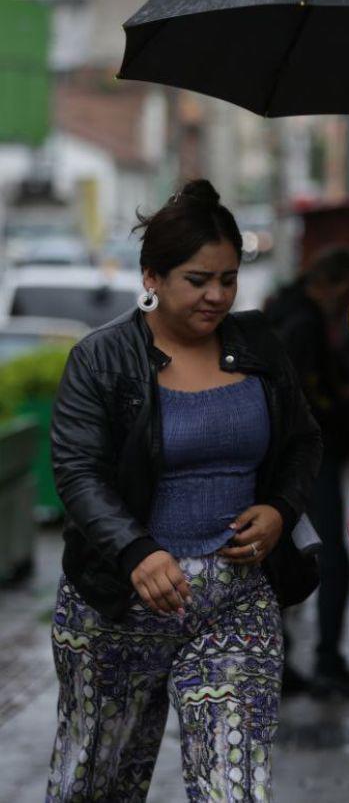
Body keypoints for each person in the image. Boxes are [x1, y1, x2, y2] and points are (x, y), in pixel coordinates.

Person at [46, 180, 321, 802]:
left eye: (228, 278)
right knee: (98, 785)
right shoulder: (103, 358)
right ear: (153, 276)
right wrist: (136, 552)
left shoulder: (259, 345)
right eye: (198, 279)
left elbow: (305, 442)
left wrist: (280, 511)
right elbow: (77, 470)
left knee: (234, 791)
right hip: (119, 603)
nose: (217, 295)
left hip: (236, 601)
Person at [265, 245, 349, 698]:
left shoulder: (285, 309)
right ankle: (327, 661)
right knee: (330, 559)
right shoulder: (304, 322)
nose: (348, 300)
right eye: (346, 289)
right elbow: (305, 393)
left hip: (286, 459)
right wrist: (345, 404)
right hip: (307, 458)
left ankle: (283, 661)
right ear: (331, 284)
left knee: (285, 556)